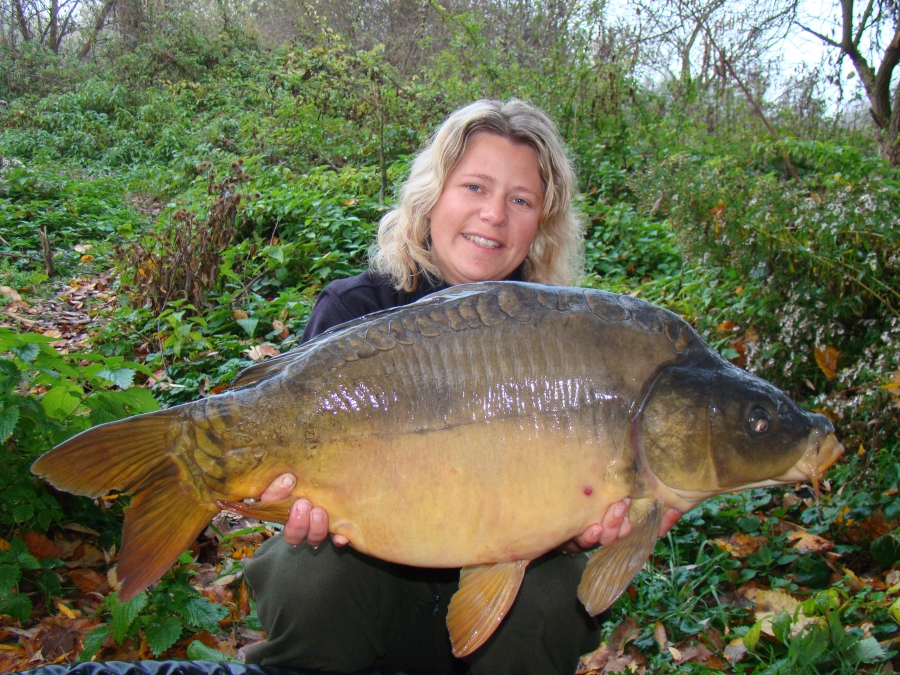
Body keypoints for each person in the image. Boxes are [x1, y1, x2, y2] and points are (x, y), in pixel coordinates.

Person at [243, 99, 682, 674]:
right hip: (374, 585)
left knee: (555, 595)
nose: (494, 214)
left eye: (521, 200)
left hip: (507, 590)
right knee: (308, 571)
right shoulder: (355, 309)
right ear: (433, 196)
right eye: (475, 187)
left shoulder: (570, 338)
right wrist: (290, 496)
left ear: (542, 224)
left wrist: (576, 531)